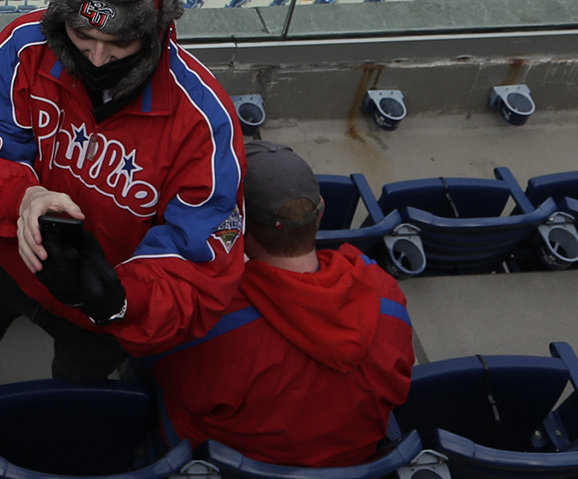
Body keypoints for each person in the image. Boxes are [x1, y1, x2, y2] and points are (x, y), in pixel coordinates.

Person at [0, 0, 246, 390]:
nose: (98, 58)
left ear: (153, 30)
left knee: (73, 392)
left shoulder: (203, 121)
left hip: (99, 310)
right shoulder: (22, 52)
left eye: (119, 43)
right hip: (4, 262)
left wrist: (120, 299)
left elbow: (202, 260)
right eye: (82, 34)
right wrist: (23, 198)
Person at [152, 141, 413, 468]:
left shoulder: (211, 323)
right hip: (352, 464)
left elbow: (165, 372)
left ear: (237, 224)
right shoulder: (385, 294)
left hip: (238, 466)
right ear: (321, 209)